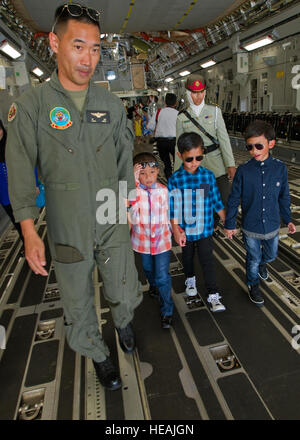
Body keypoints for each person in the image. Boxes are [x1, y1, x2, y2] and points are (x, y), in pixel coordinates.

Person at [6, 3, 143, 391]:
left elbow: (122, 163)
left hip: (111, 212)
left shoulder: (110, 105)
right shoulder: (33, 107)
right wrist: (30, 232)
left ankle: (123, 319)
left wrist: (126, 206)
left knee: (122, 284)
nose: (88, 59)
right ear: (55, 43)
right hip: (67, 222)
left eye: (96, 49)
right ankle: (99, 354)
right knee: (78, 298)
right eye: (78, 46)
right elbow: (19, 171)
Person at [224, 120, 296, 306]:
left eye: (258, 146)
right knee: (253, 259)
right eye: (250, 147)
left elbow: (284, 196)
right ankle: (252, 283)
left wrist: (288, 219)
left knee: (270, 255)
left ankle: (263, 264)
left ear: (271, 143)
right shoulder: (244, 171)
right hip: (251, 226)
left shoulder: (280, 169)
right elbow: (233, 199)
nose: (254, 150)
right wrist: (230, 224)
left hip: (272, 224)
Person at [168, 132, 226, 312]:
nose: (194, 162)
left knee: (208, 261)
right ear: (180, 156)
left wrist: (227, 220)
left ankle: (213, 294)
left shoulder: (208, 176)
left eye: (198, 157)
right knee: (187, 257)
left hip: (205, 229)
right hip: (185, 230)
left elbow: (216, 200)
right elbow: (173, 207)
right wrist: (176, 229)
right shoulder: (175, 179)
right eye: (189, 159)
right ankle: (190, 279)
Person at [174, 74, 236, 232]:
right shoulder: (182, 117)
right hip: (194, 166)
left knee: (225, 196)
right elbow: (178, 147)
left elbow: (224, 139)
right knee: (204, 198)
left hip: (215, 163)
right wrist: (176, 172)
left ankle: (229, 226)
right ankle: (211, 227)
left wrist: (230, 164)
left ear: (205, 92)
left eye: (201, 92)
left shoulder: (215, 112)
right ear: (188, 93)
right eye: (194, 92)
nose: (198, 96)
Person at [129, 152, 174, 328]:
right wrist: (132, 178)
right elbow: (129, 204)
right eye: (142, 173)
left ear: (158, 172)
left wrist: (176, 230)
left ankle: (167, 310)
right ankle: (153, 285)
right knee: (148, 269)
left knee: (163, 275)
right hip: (142, 243)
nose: (148, 177)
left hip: (162, 242)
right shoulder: (134, 192)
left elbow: (170, 213)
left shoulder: (163, 191)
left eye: (152, 173)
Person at [0, 119, 24, 245]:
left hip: (19, 190)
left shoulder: (12, 144)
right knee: (17, 223)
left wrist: (34, 183)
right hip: (4, 195)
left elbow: (27, 163)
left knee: (25, 219)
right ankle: (28, 244)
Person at [148, 93, 178, 180]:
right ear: (175, 103)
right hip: (174, 142)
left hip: (161, 143)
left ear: (165, 102)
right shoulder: (178, 114)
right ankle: (178, 180)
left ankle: (169, 181)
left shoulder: (158, 112)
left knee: (166, 163)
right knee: (177, 162)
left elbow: (150, 126)